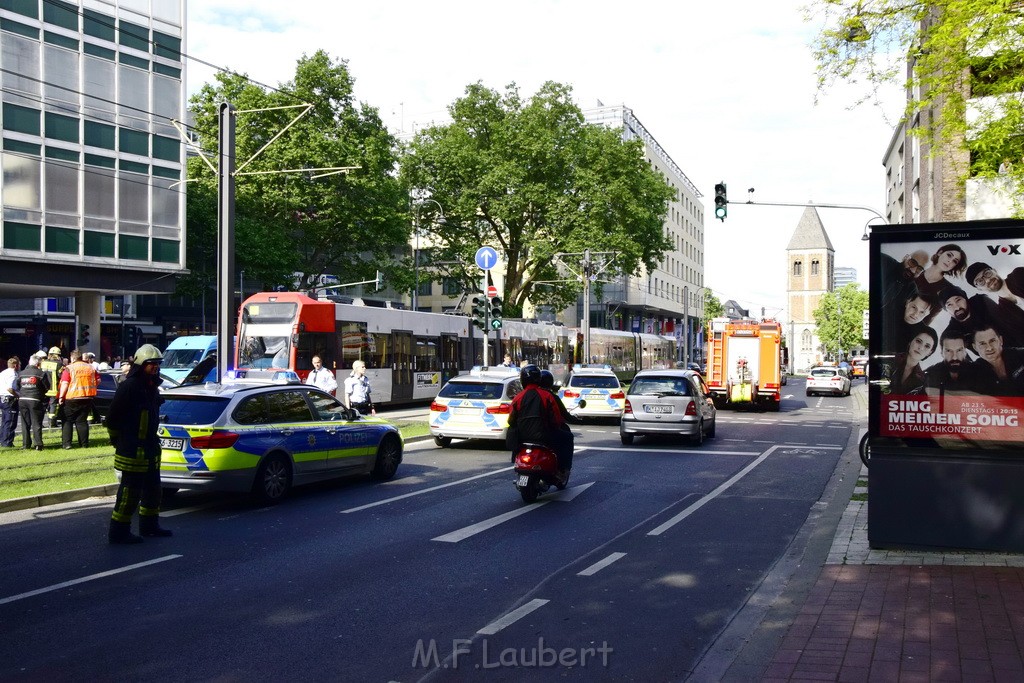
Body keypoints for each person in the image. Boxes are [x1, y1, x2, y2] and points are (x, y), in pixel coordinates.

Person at [106, 344, 171, 544]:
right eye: (151, 364)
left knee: (153, 490)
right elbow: (112, 419)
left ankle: (150, 526)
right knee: (129, 493)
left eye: (158, 364)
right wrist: (119, 441)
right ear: (141, 364)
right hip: (132, 449)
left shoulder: (151, 386)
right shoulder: (129, 386)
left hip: (150, 448)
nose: (156, 367)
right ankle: (119, 532)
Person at [506, 364, 572, 475]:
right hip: (544, 436)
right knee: (568, 437)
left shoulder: (518, 397)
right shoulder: (547, 396)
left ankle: (515, 459)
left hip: (522, 437)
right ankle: (563, 468)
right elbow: (555, 418)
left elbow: (511, 420)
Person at [965, 261, 1024, 344]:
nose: (988, 280)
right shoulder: (1004, 312)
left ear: (994, 270)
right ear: (980, 289)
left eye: (987, 273)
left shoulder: (1018, 275)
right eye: (980, 281)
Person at [58, 349, 99, 449]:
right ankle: (84, 444)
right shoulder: (91, 367)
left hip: (71, 397)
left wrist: (61, 397)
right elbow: (98, 380)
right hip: (87, 397)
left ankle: (67, 444)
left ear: (72, 358)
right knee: (82, 421)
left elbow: (65, 383)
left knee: (67, 421)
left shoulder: (69, 368)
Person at [882, 325, 938, 395]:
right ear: (910, 341)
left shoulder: (922, 381)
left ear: (930, 352)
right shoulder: (889, 358)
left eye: (927, 346)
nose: (920, 348)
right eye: (918, 341)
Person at [970, 325, 1024, 397]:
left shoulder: (1020, 355)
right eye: (982, 343)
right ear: (975, 347)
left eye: (992, 341)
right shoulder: (974, 372)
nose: (989, 348)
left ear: (1001, 340)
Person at [925, 329, 978, 396]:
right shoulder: (930, 375)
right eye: (948, 351)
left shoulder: (979, 373)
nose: (954, 357)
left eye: (959, 350)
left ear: (965, 351)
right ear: (941, 353)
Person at [17, 353, 49, 451]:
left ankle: (26, 444)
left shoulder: (21, 373)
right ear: (38, 364)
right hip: (35, 399)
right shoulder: (41, 374)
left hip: (22, 399)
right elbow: (47, 387)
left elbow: (18, 386)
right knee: (36, 422)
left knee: (25, 423)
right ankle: (38, 444)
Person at [0, 357, 20, 447]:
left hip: (2, 398)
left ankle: (2, 439)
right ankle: (7, 442)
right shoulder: (13, 374)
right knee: (10, 421)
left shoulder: (3, 373)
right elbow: (10, 388)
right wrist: (17, 395)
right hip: (10, 399)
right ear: (16, 365)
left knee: (4, 421)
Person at [39, 346, 62, 426]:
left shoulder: (43, 363)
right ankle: (52, 422)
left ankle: (39, 423)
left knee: (43, 406)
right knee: (53, 405)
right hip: (53, 389)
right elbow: (60, 376)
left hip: (43, 389)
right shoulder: (59, 364)